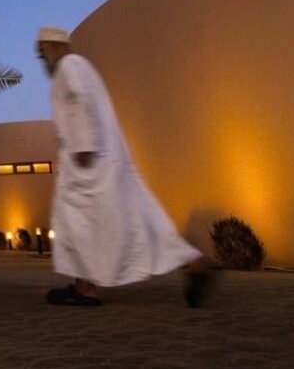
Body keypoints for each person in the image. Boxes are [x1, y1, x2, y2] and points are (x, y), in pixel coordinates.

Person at [35, 27, 214, 307]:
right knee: (139, 217)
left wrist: (82, 146)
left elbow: (78, 101)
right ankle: (195, 264)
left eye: (43, 49)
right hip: (105, 162)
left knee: (78, 223)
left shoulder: (70, 67)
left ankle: (85, 289)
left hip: (88, 165)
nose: (40, 56)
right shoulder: (82, 66)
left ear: (57, 46)